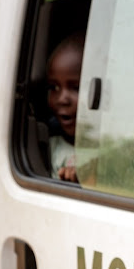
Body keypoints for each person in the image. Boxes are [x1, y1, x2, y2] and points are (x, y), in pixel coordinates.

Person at [46, 31, 85, 182]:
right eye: (54, 88)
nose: (62, 99)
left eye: (76, 88)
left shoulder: (112, 150)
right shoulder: (48, 147)